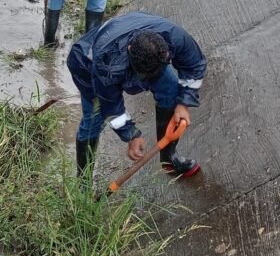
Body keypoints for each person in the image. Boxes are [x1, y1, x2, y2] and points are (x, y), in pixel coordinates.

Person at [66, 12, 207, 179]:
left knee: (170, 89)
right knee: (94, 119)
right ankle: (83, 181)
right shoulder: (106, 66)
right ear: (130, 50)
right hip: (86, 65)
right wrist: (131, 135)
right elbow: (111, 107)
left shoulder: (173, 36)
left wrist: (184, 103)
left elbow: (195, 66)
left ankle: (168, 158)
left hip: (142, 51)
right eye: (143, 76)